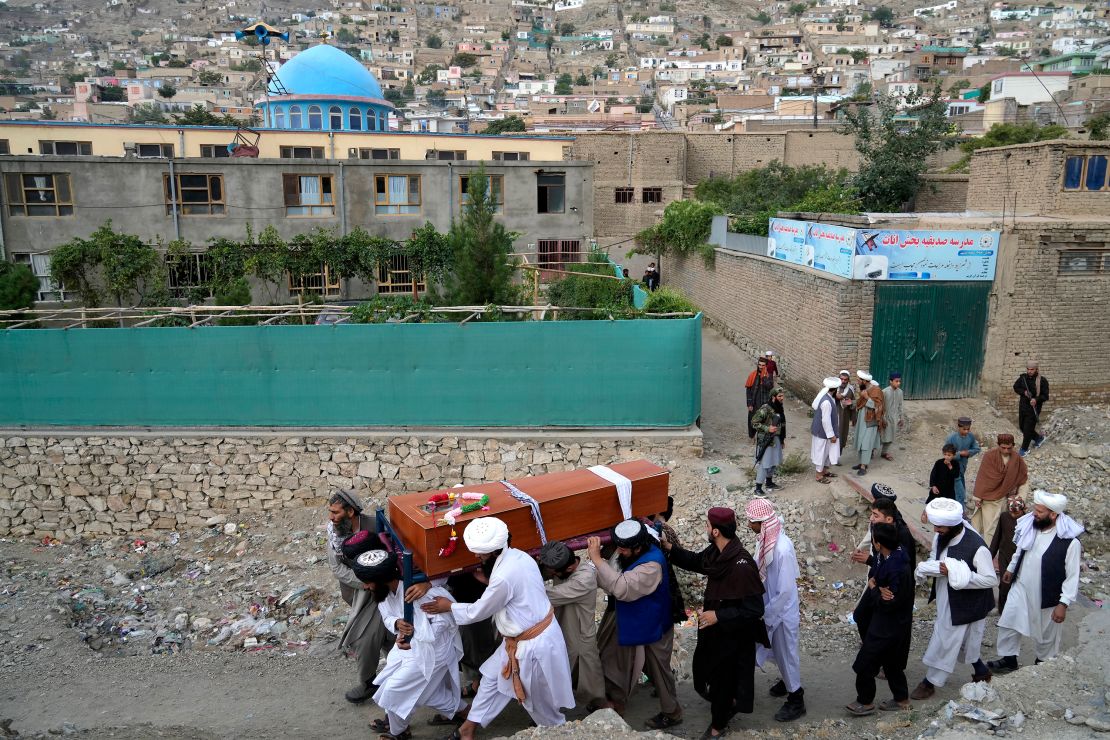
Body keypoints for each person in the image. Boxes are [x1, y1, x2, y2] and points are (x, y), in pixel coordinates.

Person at [421, 517, 574, 738]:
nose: (477, 558)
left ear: (493, 552)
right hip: (521, 640)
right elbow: (513, 591)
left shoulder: (502, 576)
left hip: (531, 647)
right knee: (492, 679)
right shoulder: (520, 556)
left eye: (481, 555)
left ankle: (560, 733)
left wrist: (449, 606)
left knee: (541, 706)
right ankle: (468, 727)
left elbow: (478, 611)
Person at [662, 508, 769, 738]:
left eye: (708, 525)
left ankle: (717, 727)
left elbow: (754, 609)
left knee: (722, 680)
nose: (706, 529)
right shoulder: (717, 553)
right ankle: (727, 702)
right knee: (707, 673)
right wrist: (670, 549)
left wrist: (717, 615)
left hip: (733, 636)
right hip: (715, 632)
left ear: (716, 531)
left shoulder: (741, 565)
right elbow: (698, 561)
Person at [357, 551, 466, 740]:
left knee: (394, 690)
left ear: (381, 579)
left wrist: (414, 638)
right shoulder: (383, 593)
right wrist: (398, 624)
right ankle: (467, 713)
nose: (365, 587)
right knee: (427, 693)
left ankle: (398, 732)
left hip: (433, 652)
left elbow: (443, 622)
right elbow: (387, 616)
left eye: (368, 582)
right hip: (407, 650)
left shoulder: (421, 592)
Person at [588, 520, 682, 729]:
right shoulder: (631, 552)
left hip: (654, 624)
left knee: (658, 668)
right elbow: (613, 579)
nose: (619, 552)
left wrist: (596, 560)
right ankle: (616, 700)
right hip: (633, 619)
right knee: (613, 658)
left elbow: (621, 588)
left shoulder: (652, 564)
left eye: (623, 549)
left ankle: (672, 712)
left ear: (638, 547)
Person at [910, 498, 997, 700]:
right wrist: (929, 568)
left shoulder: (977, 546)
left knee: (946, 640)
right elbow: (936, 557)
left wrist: (960, 575)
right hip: (946, 597)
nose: (936, 530)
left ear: (952, 525)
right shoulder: (942, 536)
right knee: (965, 640)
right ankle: (982, 671)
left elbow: (990, 579)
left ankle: (929, 683)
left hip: (967, 603)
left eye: (939, 526)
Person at [988, 490, 1083, 673]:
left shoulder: (1070, 542)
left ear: (1053, 515)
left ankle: (1042, 665)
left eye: (1039, 511)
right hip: (1021, 587)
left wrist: (1063, 603)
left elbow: (1073, 576)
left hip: (1047, 594)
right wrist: (1010, 569)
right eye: (1035, 510)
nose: (1034, 514)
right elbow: (1021, 549)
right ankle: (1009, 660)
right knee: (1008, 621)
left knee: (1046, 633)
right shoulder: (1031, 526)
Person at [325, 490, 397, 703]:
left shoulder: (376, 525)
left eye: (335, 512)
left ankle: (383, 680)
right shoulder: (334, 532)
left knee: (380, 635)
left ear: (351, 512)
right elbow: (337, 568)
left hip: (385, 590)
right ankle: (372, 681)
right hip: (360, 594)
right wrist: (365, 582)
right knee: (371, 637)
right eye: (330, 512)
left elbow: (392, 552)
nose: (331, 517)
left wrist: (380, 580)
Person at [746, 498, 805, 722]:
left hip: (781, 610)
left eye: (751, 522)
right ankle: (788, 680)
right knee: (776, 651)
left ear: (762, 522)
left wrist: (767, 615)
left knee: (786, 653)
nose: (749, 526)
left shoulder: (782, 548)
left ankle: (796, 698)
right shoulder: (766, 539)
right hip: (769, 605)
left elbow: (786, 591)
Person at [846, 523, 915, 716]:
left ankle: (865, 701)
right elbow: (878, 572)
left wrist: (874, 588)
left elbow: (888, 602)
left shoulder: (896, 568)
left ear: (878, 544)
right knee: (891, 662)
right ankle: (902, 699)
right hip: (891, 623)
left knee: (864, 663)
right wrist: (877, 586)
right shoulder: (893, 554)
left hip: (886, 625)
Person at [538, 541, 607, 712]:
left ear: (568, 569)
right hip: (565, 629)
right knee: (563, 668)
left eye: (551, 571)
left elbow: (546, 597)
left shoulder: (584, 578)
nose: (548, 573)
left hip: (581, 633)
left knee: (588, 672)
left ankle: (604, 709)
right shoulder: (564, 567)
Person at [850, 490, 917, 640]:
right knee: (861, 615)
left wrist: (870, 561)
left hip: (892, 587)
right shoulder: (877, 527)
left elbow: (900, 566)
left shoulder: (903, 536)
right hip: (877, 580)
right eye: (872, 514)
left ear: (888, 519)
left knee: (888, 626)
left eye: (875, 515)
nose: (871, 518)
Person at [971, 434, 1029, 546]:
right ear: (998, 445)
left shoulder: (1017, 459)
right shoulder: (989, 456)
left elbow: (1024, 480)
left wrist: (1020, 498)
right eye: (1003, 448)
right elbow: (982, 477)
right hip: (988, 500)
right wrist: (978, 496)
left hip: (1006, 501)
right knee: (989, 529)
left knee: (1001, 530)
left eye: (1009, 448)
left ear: (1013, 446)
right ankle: (985, 553)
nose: (1006, 450)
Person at [990, 495, 1027, 614]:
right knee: (1004, 584)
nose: (1013, 515)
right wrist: (990, 555)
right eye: (1011, 512)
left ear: (1022, 510)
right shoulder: (1004, 517)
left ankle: (1016, 611)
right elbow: (997, 536)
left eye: (1016, 513)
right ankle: (1002, 611)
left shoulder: (1028, 521)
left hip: (1020, 558)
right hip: (1004, 555)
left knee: (1017, 584)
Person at [752, 386, 786, 495]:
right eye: (779, 396)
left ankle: (769, 482)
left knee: (774, 461)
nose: (782, 398)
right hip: (766, 440)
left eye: (782, 396)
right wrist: (767, 428)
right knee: (765, 463)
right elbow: (754, 422)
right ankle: (758, 488)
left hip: (776, 439)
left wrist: (782, 440)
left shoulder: (779, 407)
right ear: (773, 397)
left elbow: (782, 425)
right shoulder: (765, 409)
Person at [852, 371, 885, 477]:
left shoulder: (876, 390)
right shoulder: (865, 389)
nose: (857, 382)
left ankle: (864, 466)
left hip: (870, 421)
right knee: (861, 441)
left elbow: (879, 407)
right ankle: (861, 462)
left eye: (858, 380)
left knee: (866, 443)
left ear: (864, 381)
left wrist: (867, 398)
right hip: (862, 420)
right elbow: (860, 403)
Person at [1013, 362, 1049, 456]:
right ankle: (1038, 438)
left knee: (1028, 429)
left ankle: (1024, 450)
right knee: (1022, 427)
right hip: (1023, 406)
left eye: (1032, 369)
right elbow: (1016, 387)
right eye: (1028, 369)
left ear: (1036, 369)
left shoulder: (1042, 381)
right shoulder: (1023, 378)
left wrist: (1036, 400)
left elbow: (1045, 396)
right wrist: (1024, 392)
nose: (1029, 371)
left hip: (1034, 408)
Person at [810, 377, 841, 484]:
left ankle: (824, 471)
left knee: (827, 453)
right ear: (835, 389)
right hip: (822, 433)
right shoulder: (826, 402)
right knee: (821, 454)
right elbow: (826, 420)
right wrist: (831, 435)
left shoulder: (828, 397)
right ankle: (819, 475)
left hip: (824, 433)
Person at [944, 417, 981, 506]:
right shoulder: (951, 438)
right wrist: (959, 454)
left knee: (959, 482)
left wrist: (968, 452)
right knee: (957, 485)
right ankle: (959, 506)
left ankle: (957, 502)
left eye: (968, 429)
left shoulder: (970, 436)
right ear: (958, 427)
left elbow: (976, 448)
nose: (966, 432)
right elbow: (946, 454)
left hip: (963, 465)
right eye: (964, 429)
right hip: (952, 466)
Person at [923, 443, 961, 520]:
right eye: (945, 454)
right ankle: (925, 515)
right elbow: (933, 474)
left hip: (948, 489)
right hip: (938, 487)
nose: (946, 457)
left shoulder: (956, 464)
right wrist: (933, 486)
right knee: (932, 502)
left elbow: (956, 475)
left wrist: (950, 466)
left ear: (953, 455)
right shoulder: (939, 462)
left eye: (949, 455)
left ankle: (943, 518)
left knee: (947, 504)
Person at [745, 356, 776, 440]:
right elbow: (748, 391)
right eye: (759, 365)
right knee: (752, 420)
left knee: (763, 421)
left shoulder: (768, 376)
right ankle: (752, 437)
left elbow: (769, 386)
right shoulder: (753, 375)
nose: (761, 367)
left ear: (766, 366)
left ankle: (761, 437)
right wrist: (749, 403)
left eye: (763, 365)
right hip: (754, 403)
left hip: (764, 403)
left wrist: (764, 377)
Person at [880, 373, 906, 462]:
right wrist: (882, 418)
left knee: (891, 436)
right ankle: (871, 451)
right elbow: (881, 407)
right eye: (896, 381)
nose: (898, 383)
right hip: (885, 417)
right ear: (891, 381)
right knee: (880, 435)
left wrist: (901, 418)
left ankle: (884, 452)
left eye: (899, 381)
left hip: (894, 418)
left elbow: (900, 406)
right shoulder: (884, 392)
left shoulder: (900, 392)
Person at [835, 370, 857, 454]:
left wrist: (854, 418)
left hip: (844, 417)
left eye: (845, 379)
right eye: (841, 379)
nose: (843, 381)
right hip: (833, 415)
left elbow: (853, 404)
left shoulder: (850, 390)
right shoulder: (833, 388)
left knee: (841, 436)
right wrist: (836, 397)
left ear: (848, 380)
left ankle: (837, 456)